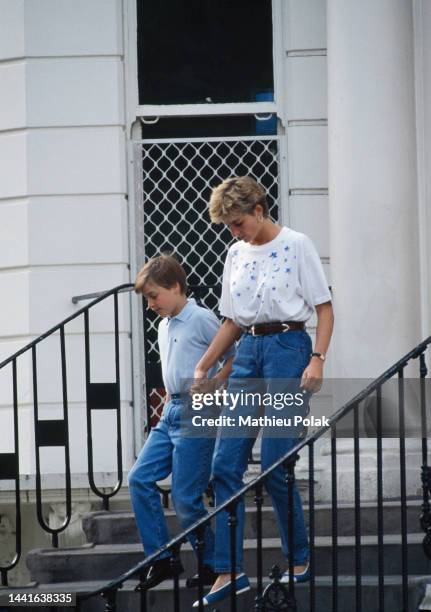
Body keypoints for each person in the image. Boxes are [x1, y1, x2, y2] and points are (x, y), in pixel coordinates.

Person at [191, 176, 334, 607]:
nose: (233, 233)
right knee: (224, 464)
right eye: (228, 226)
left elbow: (325, 307)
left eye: (237, 223)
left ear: (258, 210)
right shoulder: (235, 253)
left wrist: (318, 360)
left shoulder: (297, 244)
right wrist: (205, 365)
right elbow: (232, 320)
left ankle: (300, 557)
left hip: (290, 348)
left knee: (275, 462)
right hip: (249, 351)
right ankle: (230, 570)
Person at [128, 254, 235, 590]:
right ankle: (162, 558)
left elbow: (234, 358)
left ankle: (214, 564)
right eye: (147, 298)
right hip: (170, 412)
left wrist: (214, 384)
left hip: (198, 411)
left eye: (154, 296)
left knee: (185, 497)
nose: (150, 304)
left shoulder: (201, 318)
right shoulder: (164, 323)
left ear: (175, 287)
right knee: (139, 478)